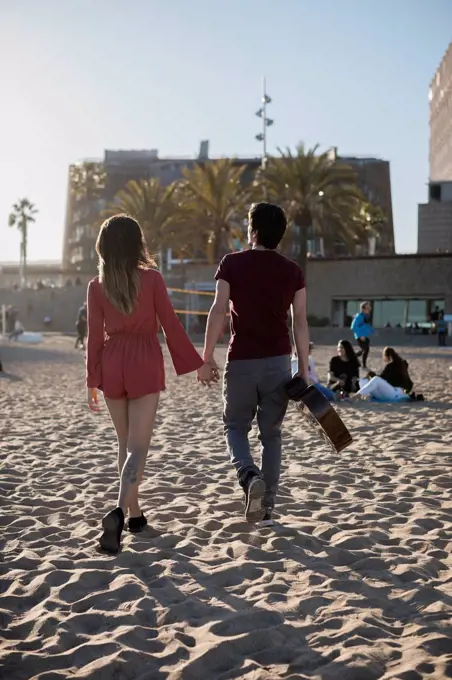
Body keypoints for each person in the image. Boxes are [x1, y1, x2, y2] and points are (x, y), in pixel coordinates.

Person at [86, 214, 216, 554]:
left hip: (112, 361)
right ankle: (118, 511)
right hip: (144, 359)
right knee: (137, 447)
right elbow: (171, 326)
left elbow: (93, 339)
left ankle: (135, 513)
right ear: (136, 244)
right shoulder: (153, 279)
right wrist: (198, 364)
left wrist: (92, 379)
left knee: (124, 444)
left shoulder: (96, 286)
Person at [201, 202, 309, 526]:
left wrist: (206, 358)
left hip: (242, 360)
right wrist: (302, 368)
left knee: (234, 426)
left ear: (252, 230)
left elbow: (218, 310)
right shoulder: (293, 271)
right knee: (271, 435)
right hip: (278, 362)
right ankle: (268, 506)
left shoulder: (232, 264)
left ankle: (249, 477)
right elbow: (300, 321)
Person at [351, 302, 375, 368]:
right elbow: (353, 327)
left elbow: (366, 325)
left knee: (363, 350)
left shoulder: (365, 316)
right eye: (368, 307)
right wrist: (360, 335)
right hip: (360, 337)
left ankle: (352, 358)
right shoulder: (359, 316)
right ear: (363, 309)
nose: (370, 308)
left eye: (370, 307)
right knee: (365, 350)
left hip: (364, 336)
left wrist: (373, 331)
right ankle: (363, 365)